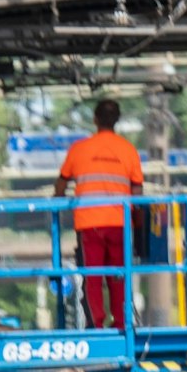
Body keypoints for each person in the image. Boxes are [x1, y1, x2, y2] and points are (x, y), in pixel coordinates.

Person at [54, 99, 143, 330]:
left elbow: (61, 185)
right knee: (119, 276)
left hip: (89, 224)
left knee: (93, 277)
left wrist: (58, 199)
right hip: (120, 224)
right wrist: (138, 221)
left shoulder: (79, 149)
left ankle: (97, 324)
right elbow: (138, 193)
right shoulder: (128, 150)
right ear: (117, 121)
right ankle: (122, 323)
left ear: (95, 120)